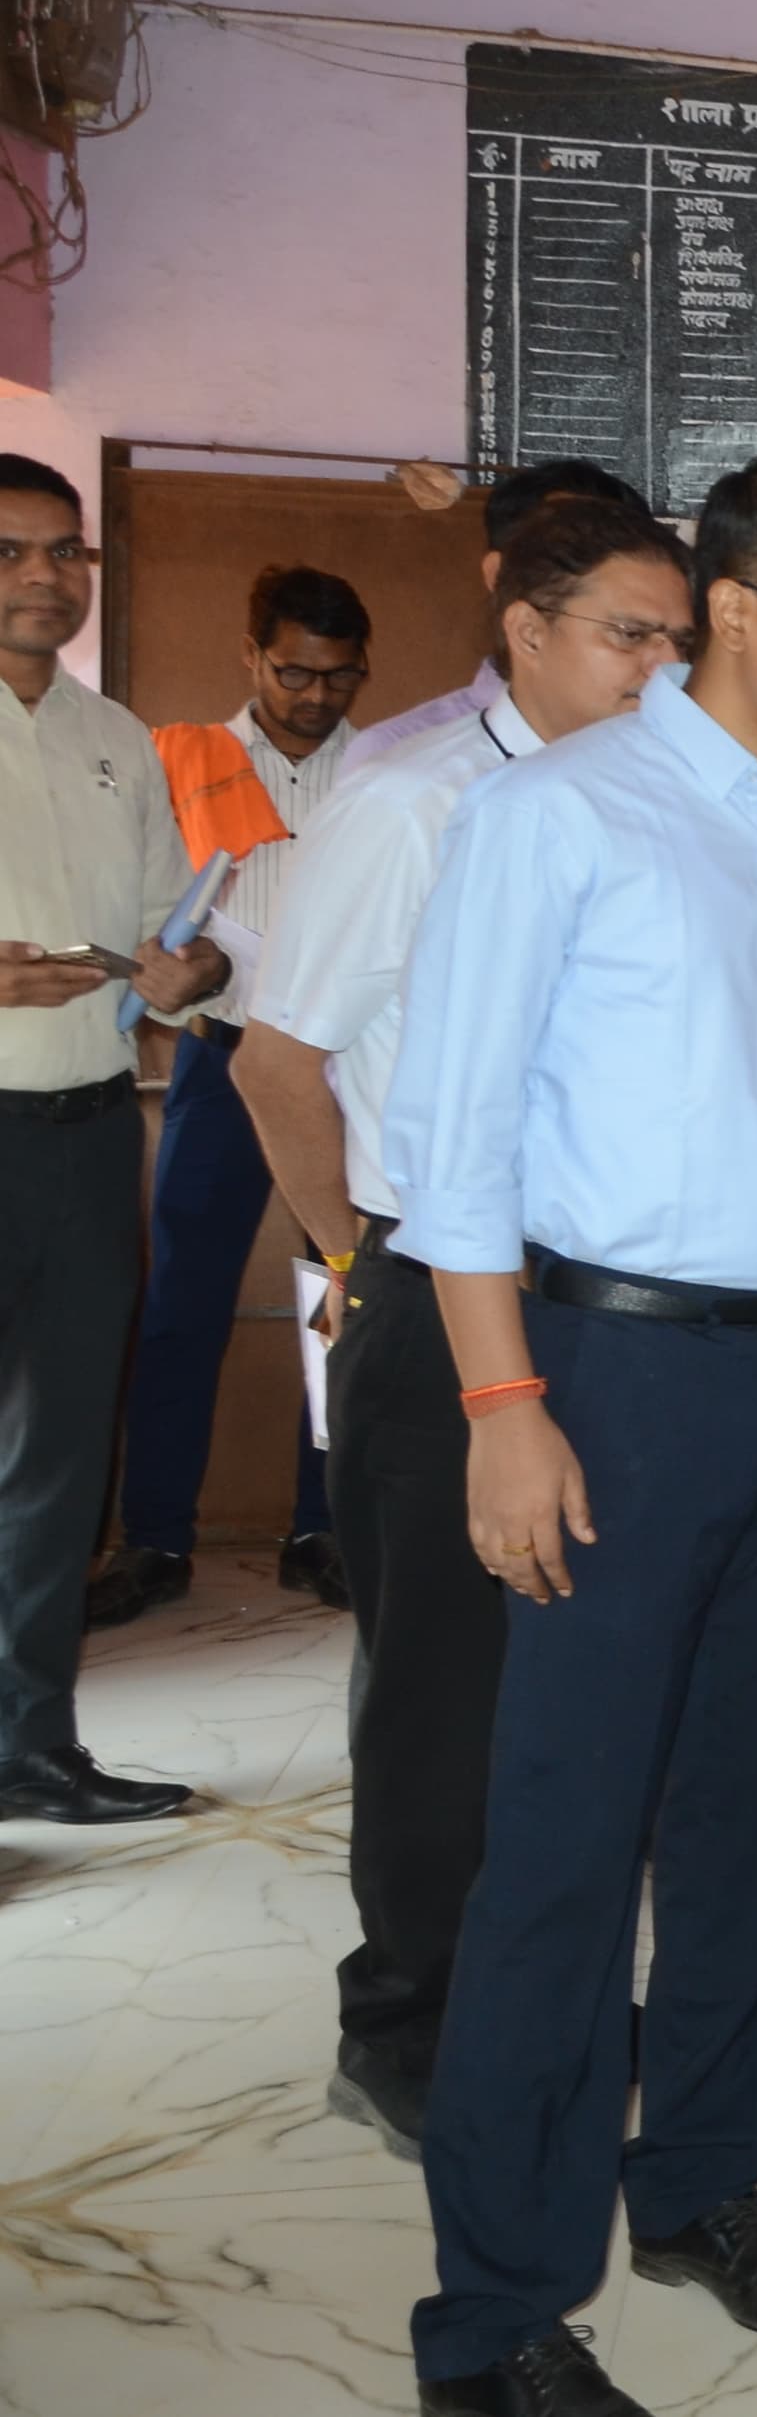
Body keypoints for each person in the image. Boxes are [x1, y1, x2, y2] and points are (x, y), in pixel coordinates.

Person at [383, 454, 757, 2417]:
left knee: (751, 1816)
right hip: (606, 1376)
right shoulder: (557, 815)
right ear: (739, 612)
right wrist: (503, 1406)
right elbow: (447, 1148)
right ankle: (497, 2314)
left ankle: (697, 2178)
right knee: (563, 1841)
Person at [234, 494, 697, 2159]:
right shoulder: (411, 798)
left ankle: (550, 1992)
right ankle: (407, 2021)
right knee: (444, 1687)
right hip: (435, 1298)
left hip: (602, 1304)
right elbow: (277, 1062)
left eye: (679, 642)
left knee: (576, 1684)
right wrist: (358, 1262)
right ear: (526, 629)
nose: (659, 672)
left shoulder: (654, 804)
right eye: (628, 636)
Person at [0, 452, 227, 1825]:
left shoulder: (118, 737)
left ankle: (29, 1747)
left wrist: (187, 969)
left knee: (62, 1457)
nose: (44, 576)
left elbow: (170, 932)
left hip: (86, 1135)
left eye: (64, 551)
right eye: (11, 550)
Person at [90, 561, 373, 1627]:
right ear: (252, 656)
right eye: (294, 672)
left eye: (339, 676)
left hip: (342, 1069)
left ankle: (324, 1529)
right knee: (182, 1304)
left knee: (344, 1299)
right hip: (219, 1059)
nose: (315, 696)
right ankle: (156, 1537)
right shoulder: (178, 760)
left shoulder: (384, 772)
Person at [340, 458, 659, 777]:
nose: (595, 582)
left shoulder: (659, 748)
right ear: (498, 574)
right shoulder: (396, 755)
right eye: (569, 558)